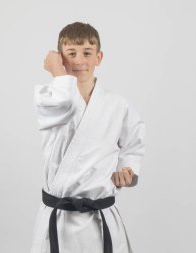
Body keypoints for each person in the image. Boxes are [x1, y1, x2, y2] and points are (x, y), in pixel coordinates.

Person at [30, 22, 146, 253]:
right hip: (59, 218)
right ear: (60, 59)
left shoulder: (118, 105)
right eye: (71, 53)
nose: (80, 60)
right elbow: (65, 102)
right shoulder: (48, 96)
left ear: (99, 58)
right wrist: (57, 74)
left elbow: (134, 145)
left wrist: (127, 171)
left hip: (100, 218)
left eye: (87, 53)